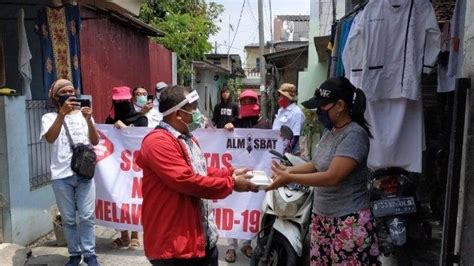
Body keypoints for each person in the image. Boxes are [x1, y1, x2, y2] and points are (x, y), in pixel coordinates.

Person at [136, 85, 259, 266]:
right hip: (175, 248)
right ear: (178, 114)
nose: (197, 113)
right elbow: (186, 181)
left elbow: (199, 170)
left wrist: (230, 172)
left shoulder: (187, 137)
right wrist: (231, 184)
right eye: (193, 108)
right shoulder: (158, 142)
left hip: (201, 241)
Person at [266, 77, 380, 265]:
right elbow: (316, 164)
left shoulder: (354, 135)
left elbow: (332, 177)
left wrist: (289, 177)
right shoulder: (331, 132)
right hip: (323, 218)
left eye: (323, 106)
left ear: (340, 105)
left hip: (348, 222)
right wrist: (288, 169)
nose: (319, 111)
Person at [40, 79, 100, 266]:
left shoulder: (84, 115)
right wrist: (61, 115)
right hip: (61, 175)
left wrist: (89, 120)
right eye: (64, 92)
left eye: (72, 91)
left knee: (87, 216)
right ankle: (74, 254)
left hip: (84, 173)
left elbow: (95, 141)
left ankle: (89, 254)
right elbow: (50, 138)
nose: (70, 94)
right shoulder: (48, 118)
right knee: (67, 219)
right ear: (57, 97)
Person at [222, 89, 271, 263]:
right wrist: (226, 130)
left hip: (257, 172)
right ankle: (231, 247)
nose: (247, 104)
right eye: (244, 102)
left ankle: (247, 243)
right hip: (237, 172)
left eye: (250, 101)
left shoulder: (265, 124)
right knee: (233, 207)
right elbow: (223, 143)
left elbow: (272, 146)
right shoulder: (235, 123)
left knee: (251, 209)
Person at [105, 86, 147, 250]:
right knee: (118, 199)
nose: (122, 104)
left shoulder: (141, 119)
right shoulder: (110, 120)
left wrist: (127, 129)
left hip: (135, 166)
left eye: (124, 101)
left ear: (129, 101)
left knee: (134, 200)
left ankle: (135, 234)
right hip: (117, 166)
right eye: (118, 101)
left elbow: (141, 138)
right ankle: (123, 236)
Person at [271, 83, 305, 154]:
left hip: (289, 154)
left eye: (282, 96)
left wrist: (286, 153)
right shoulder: (281, 110)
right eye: (280, 95)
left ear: (288, 98)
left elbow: (295, 136)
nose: (280, 98)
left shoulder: (296, 113)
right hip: (277, 149)